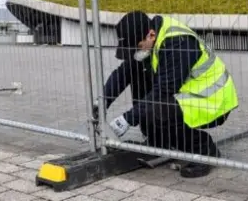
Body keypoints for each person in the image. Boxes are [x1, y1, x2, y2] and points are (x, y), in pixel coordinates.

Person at [100, 11, 239, 178]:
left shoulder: (177, 43)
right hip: (187, 94)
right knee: (138, 71)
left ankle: (204, 150)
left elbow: (163, 91)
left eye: (137, 47)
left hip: (212, 100)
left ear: (151, 35)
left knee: (160, 109)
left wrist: (127, 119)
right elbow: (123, 73)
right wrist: (101, 103)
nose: (136, 53)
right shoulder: (152, 37)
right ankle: (159, 143)